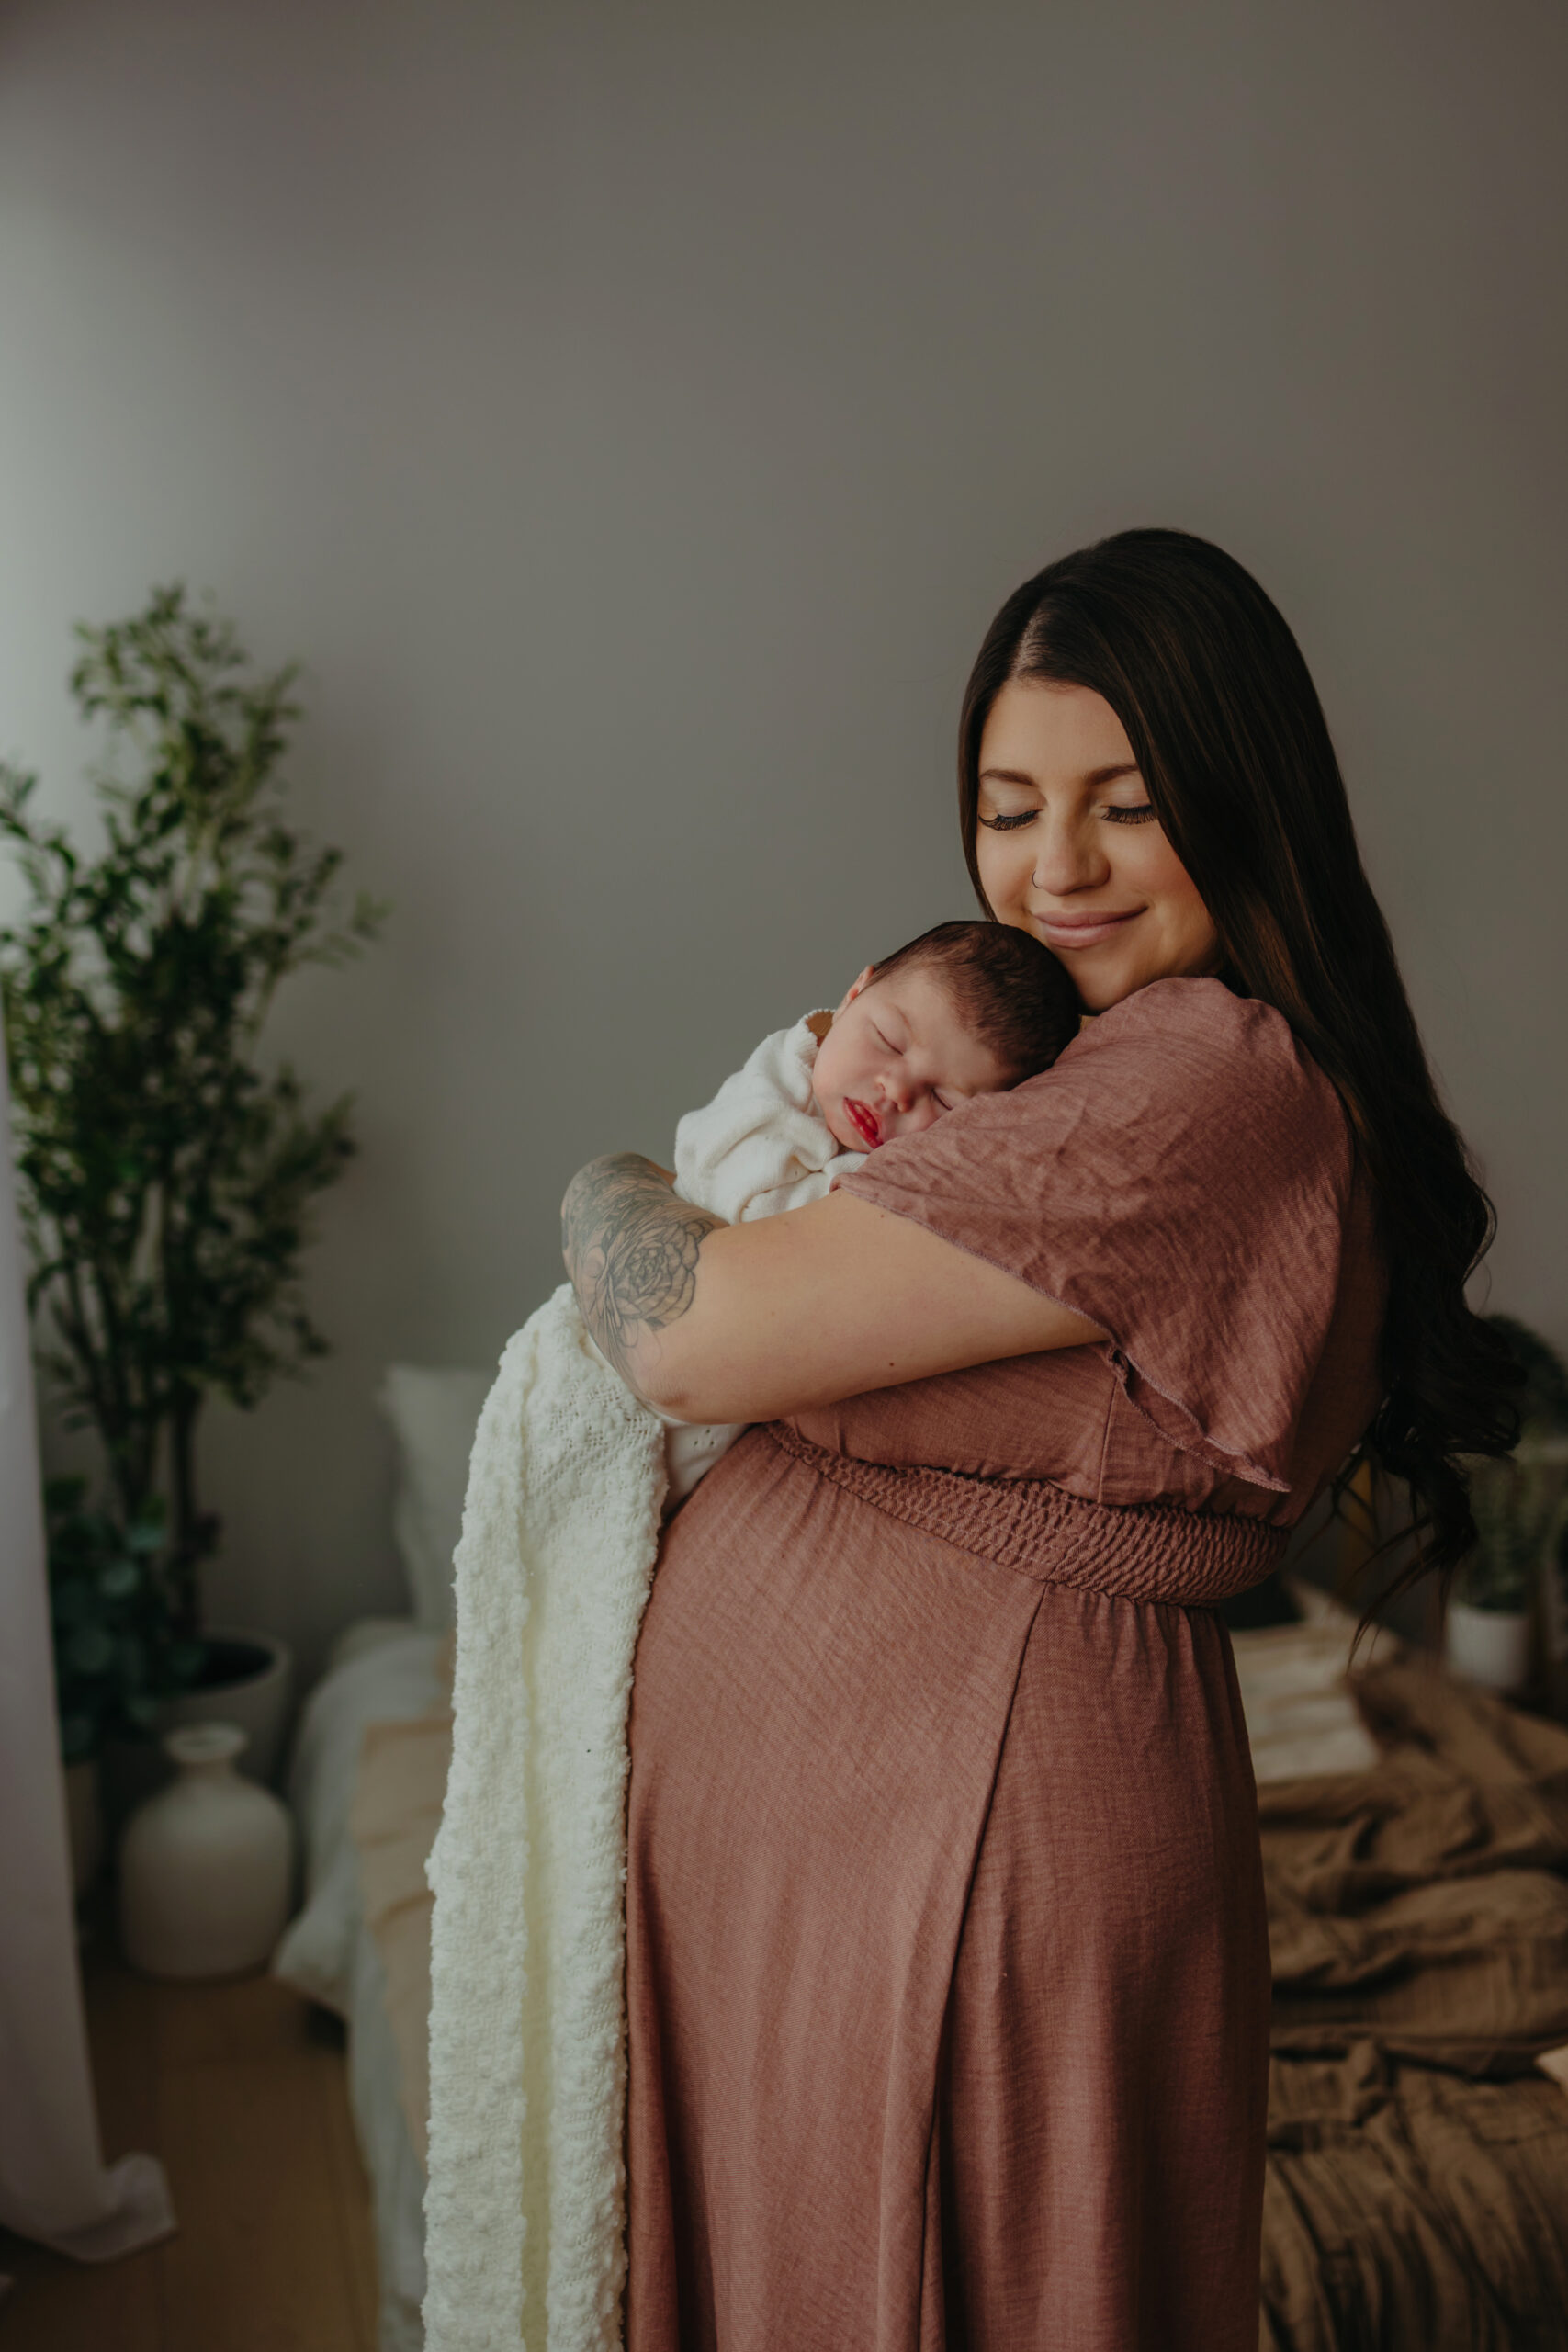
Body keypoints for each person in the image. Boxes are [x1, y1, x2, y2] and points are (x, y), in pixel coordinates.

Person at [561, 529, 1517, 2350]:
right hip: (870, 1842)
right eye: (1006, 807)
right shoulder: (1060, 1064)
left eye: (1125, 803)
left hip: (969, 1840)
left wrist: (606, 1181)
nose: (1052, 866)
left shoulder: (1202, 1070)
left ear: (1238, 802)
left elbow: (695, 1335)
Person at [657, 920, 1078, 1503]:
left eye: (944, 1100)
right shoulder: (780, 1084)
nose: (895, 1090)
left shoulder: (909, 1193)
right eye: (888, 1040)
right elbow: (734, 1200)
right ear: (856, 992)